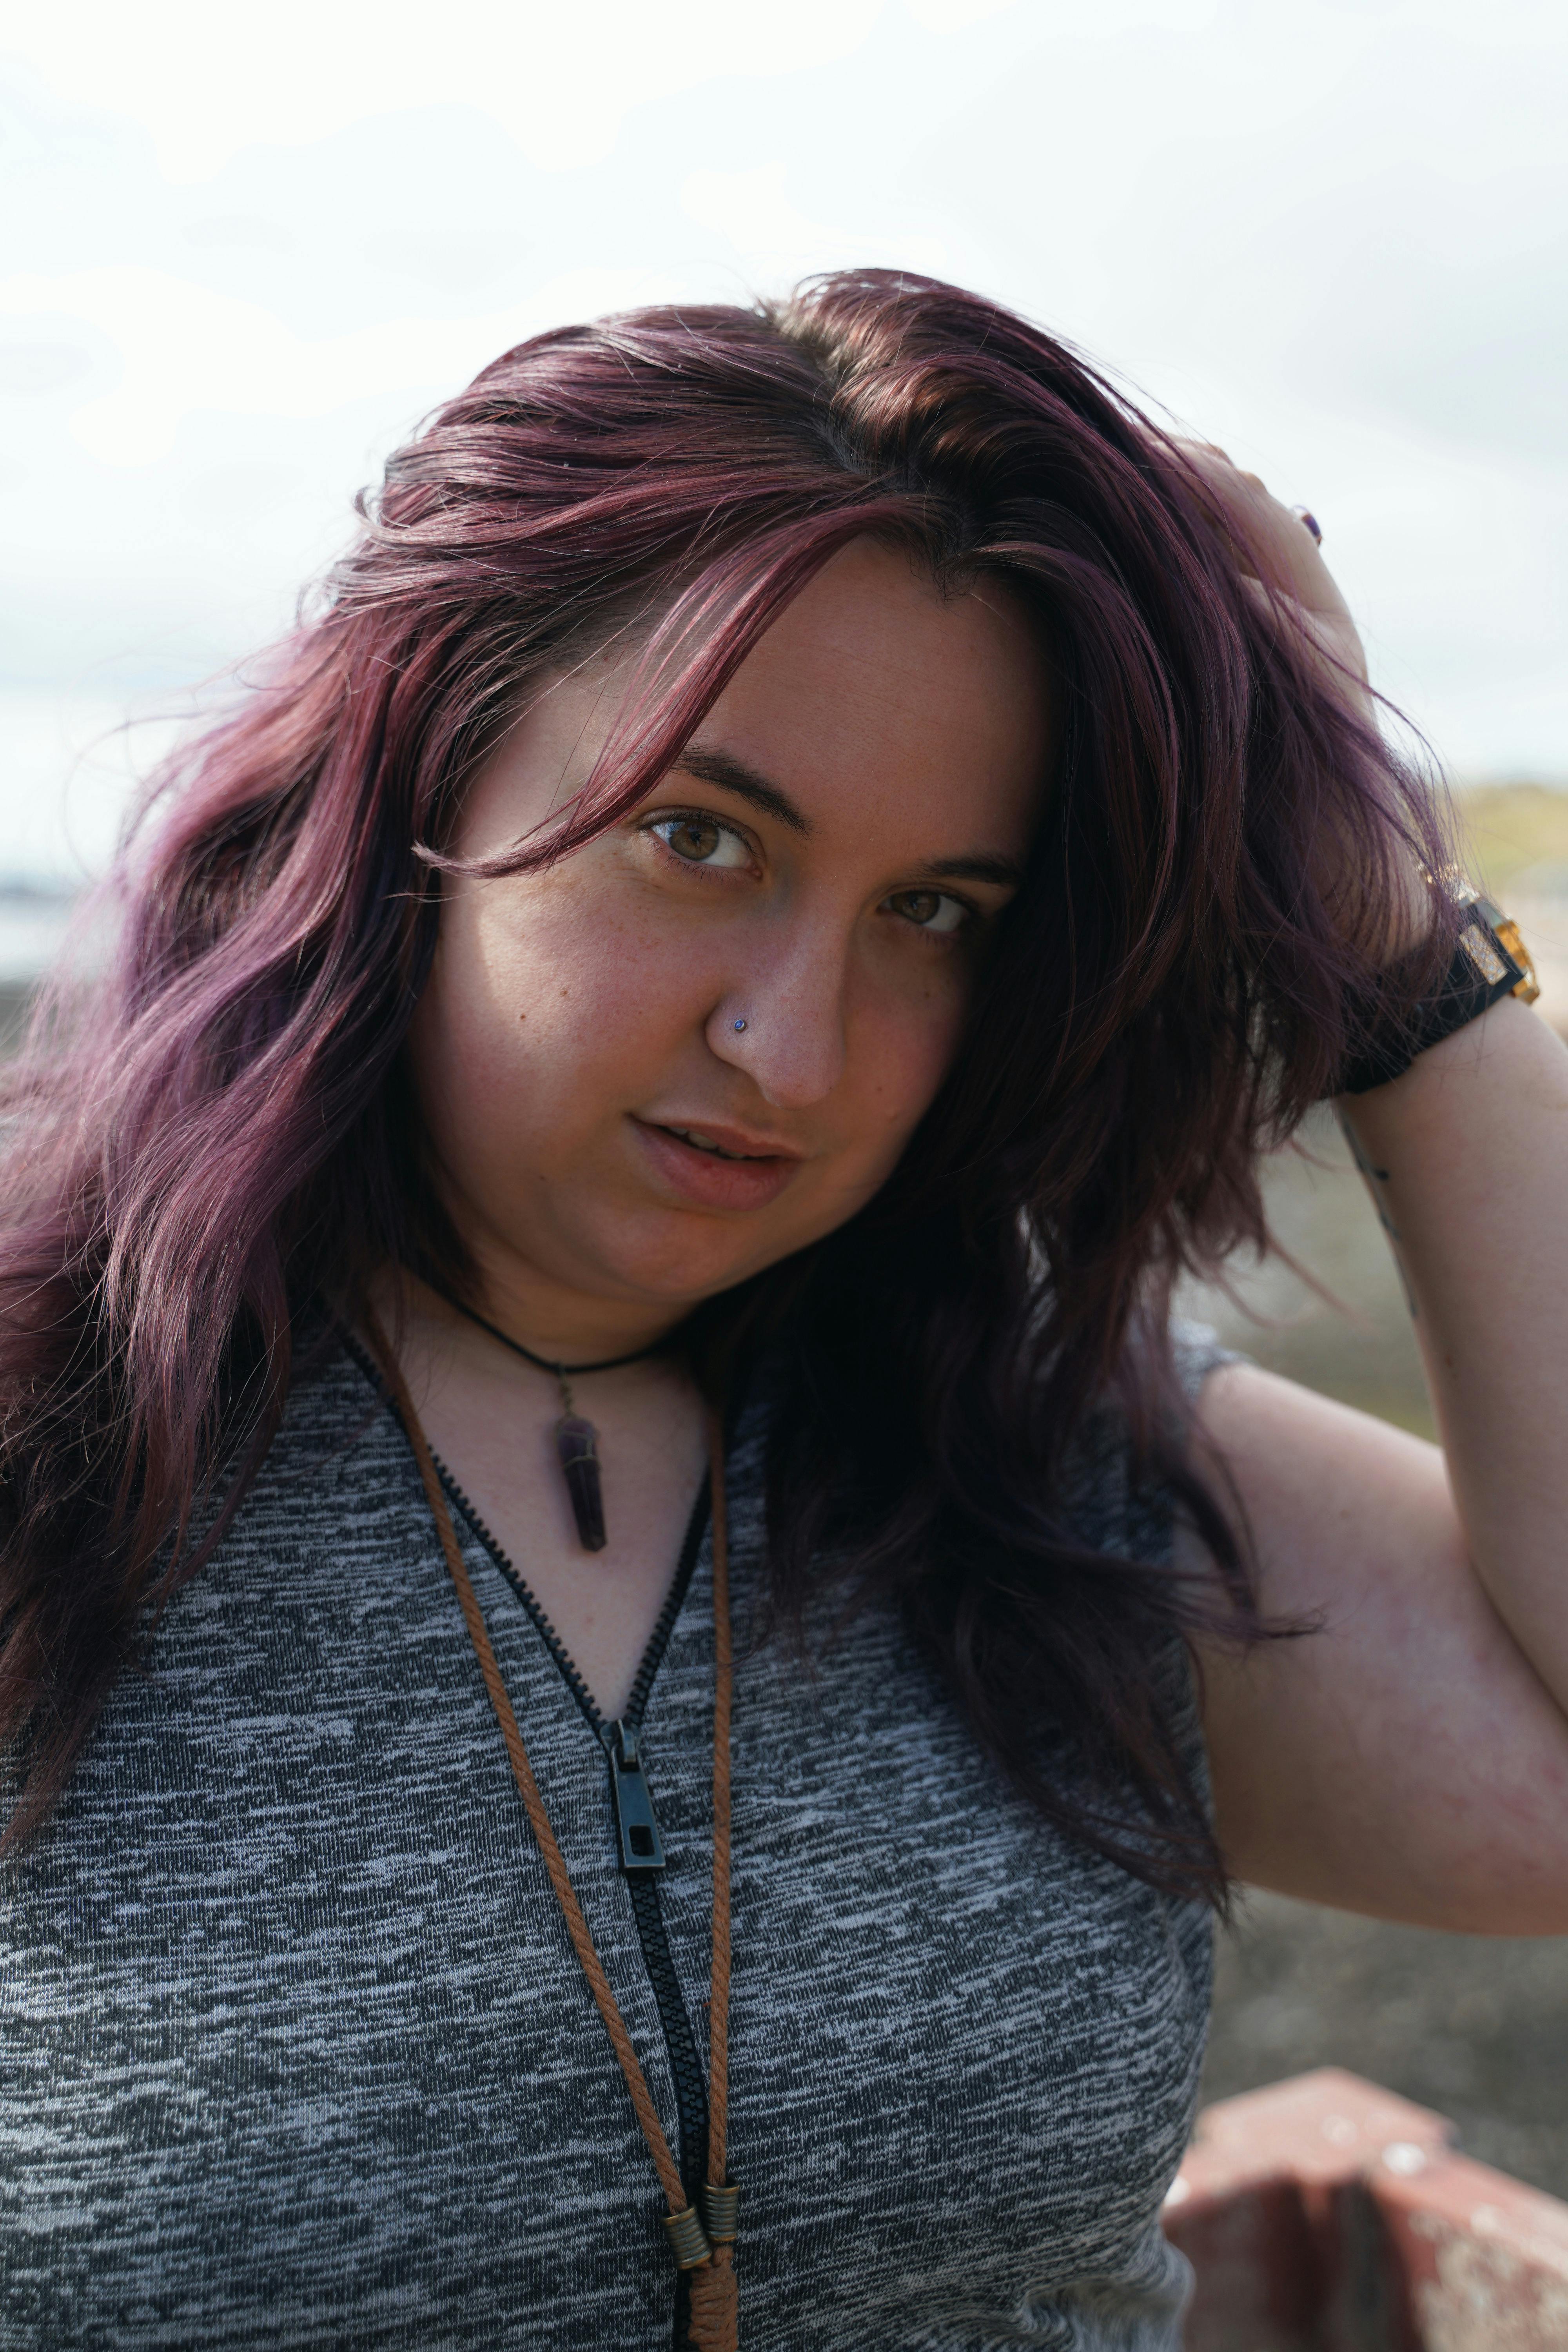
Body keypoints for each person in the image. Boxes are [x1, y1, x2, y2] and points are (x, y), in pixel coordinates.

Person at [2, 270, 1564, 2352]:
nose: (798, 1048)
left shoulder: (1034, 1459)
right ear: (416, 792)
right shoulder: (49, 1446)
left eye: (935, 914)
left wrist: (1404, 965)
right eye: (699, 837)